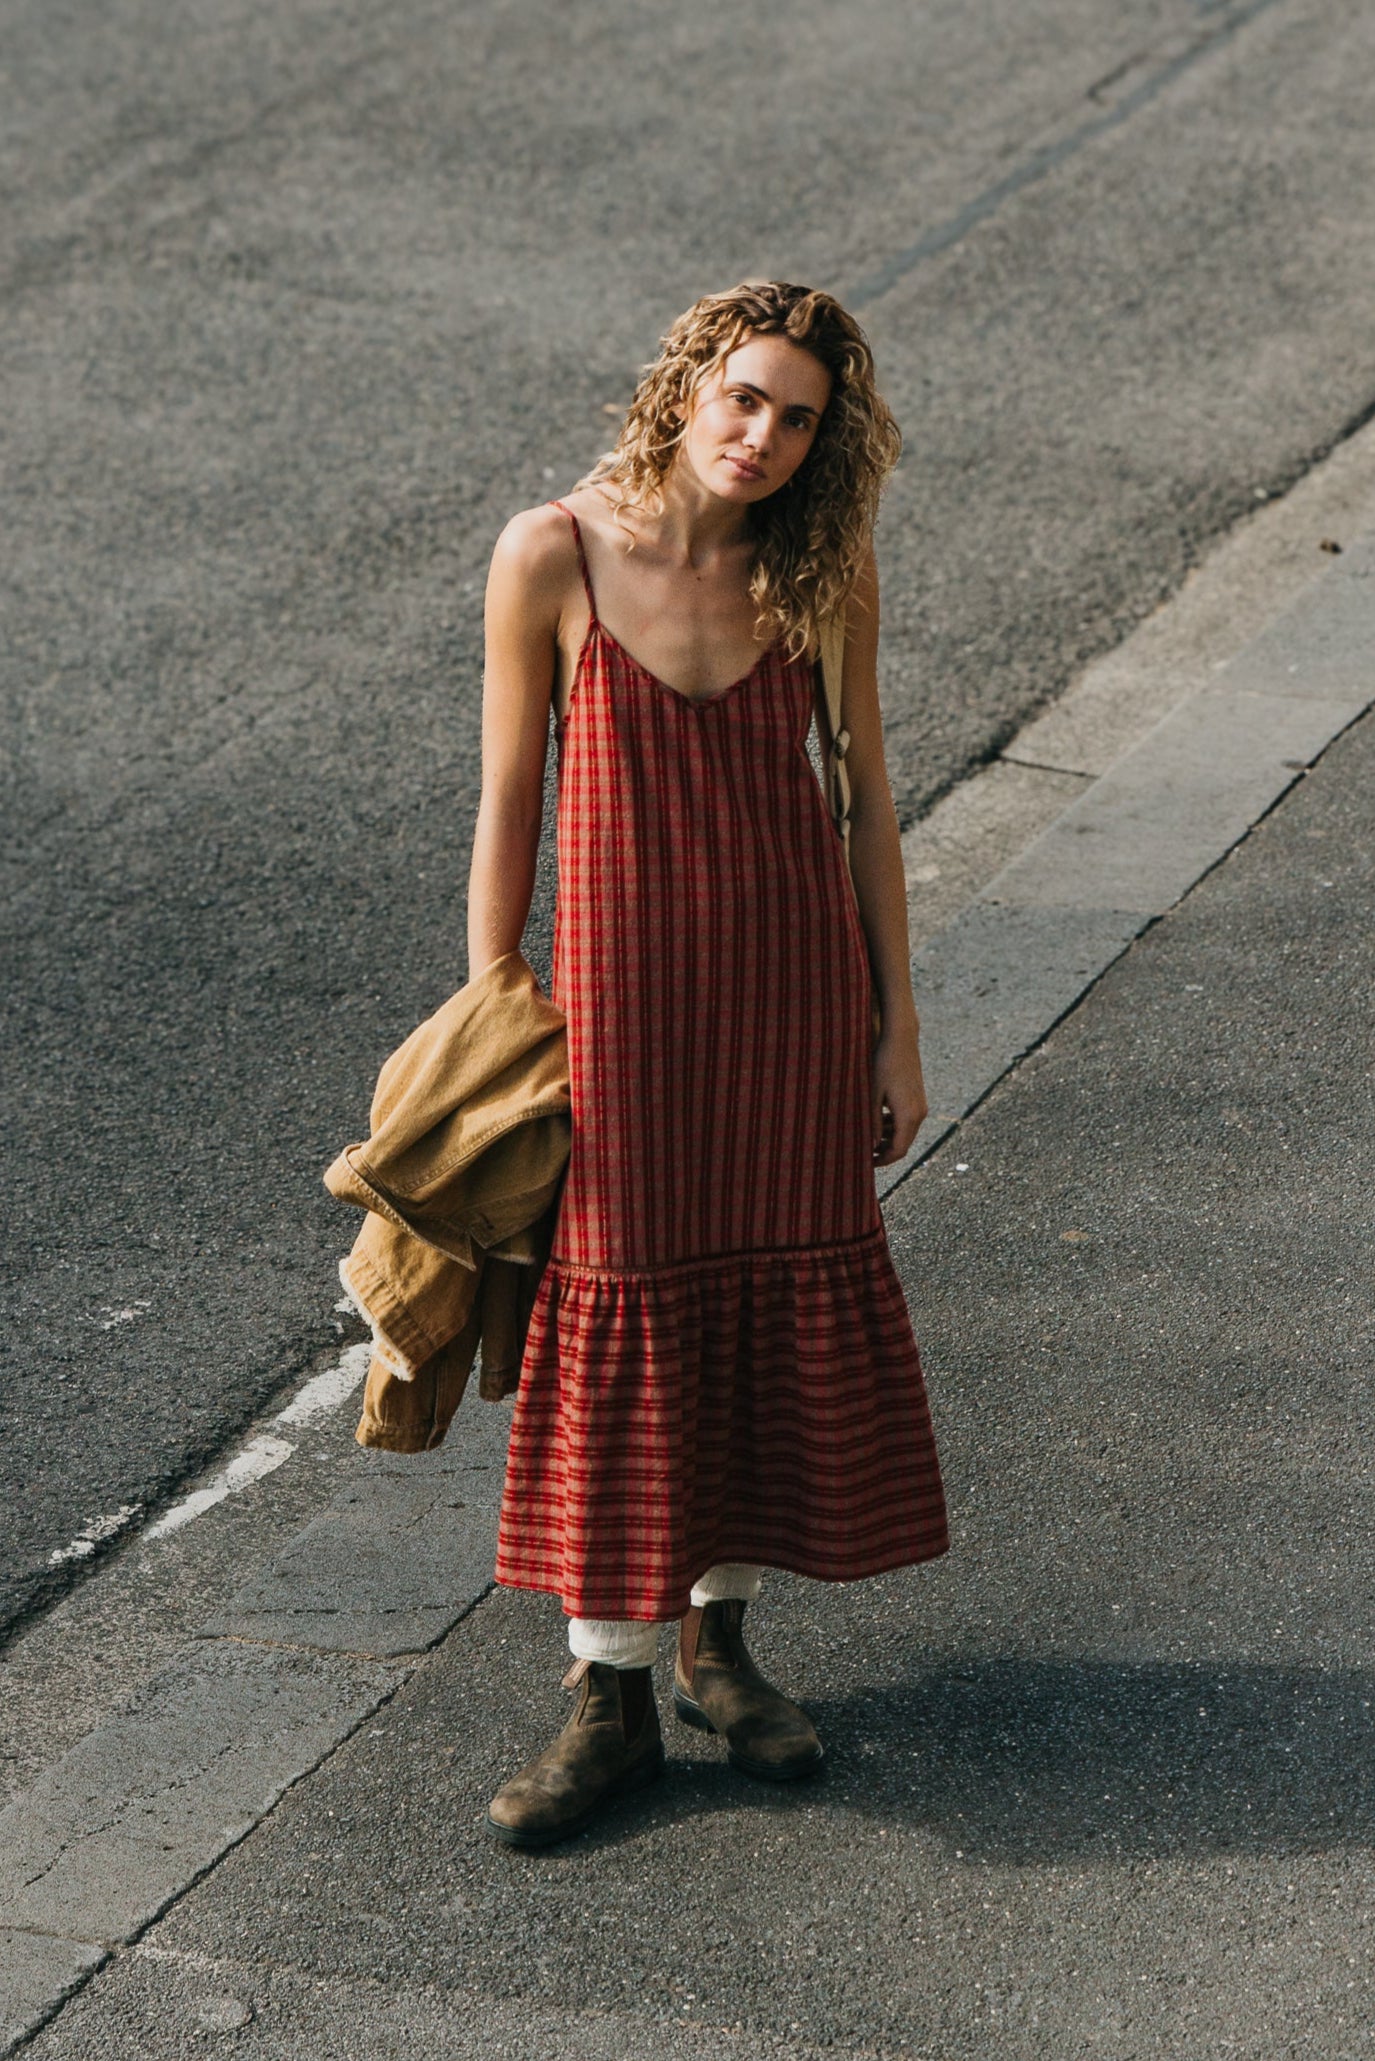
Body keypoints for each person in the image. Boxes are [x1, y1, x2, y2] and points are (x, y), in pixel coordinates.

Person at [467, 279, 948, 1849]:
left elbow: (870, 800)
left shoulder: (820, 566)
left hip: (791, 1002)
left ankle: (717, 1645)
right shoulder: (552, 551)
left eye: (800, 417)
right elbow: (509, 806)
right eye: (744, 397)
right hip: (618, 1022)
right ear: (688, 385)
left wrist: (895, 1021)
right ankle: (605, 1692)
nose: (764, 436)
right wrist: (495, 1015)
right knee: (623, 1314)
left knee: (756, 1301)